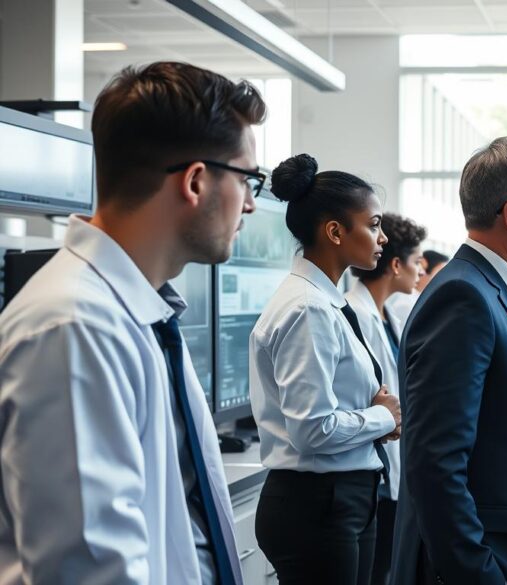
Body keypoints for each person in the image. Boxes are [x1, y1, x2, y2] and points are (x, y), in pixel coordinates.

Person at [0, 61, 266, 583]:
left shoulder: (144, 316)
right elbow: (92, 570)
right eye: (246, 179)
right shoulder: (74, 329)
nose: (251, 204)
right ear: (195, 181)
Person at [391, 136, 507, 585]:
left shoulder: (495, 292)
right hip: (488, 566)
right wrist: (481, 575)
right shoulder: (464, 297)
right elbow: (436, 466)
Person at [250, 154, 401, 585]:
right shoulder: (308, 309)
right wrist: (381, 418)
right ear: (335, 232)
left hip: (341, 499)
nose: (383, 238)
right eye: (374, 224)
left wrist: (375, 420)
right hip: (318, 504)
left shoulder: (325, 302)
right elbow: (312, 429)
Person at [347, 213, 427, 585]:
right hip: (371, 474)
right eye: (417, 261)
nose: (420, 269)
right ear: (396, 265)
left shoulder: (387, 314)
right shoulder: (356, 314)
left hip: (391, 465)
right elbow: (370, 400)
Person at [386, 249, 449, 324]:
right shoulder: (406, 301)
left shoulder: (420, 299)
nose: (444, 278)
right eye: (440, 272)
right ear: (424, 268)